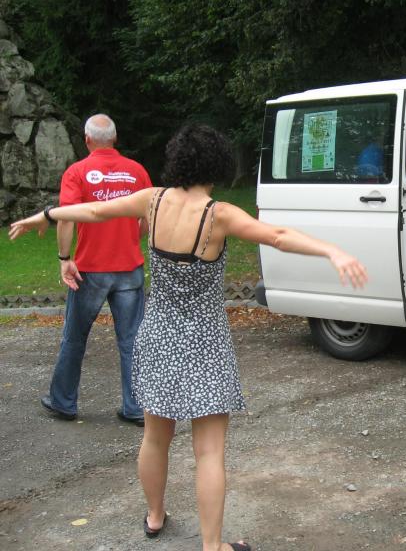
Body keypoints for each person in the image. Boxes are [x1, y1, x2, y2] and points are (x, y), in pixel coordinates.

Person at [10, 124, 368, 551]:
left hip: (157, 335)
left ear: (177, 159)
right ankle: (212, 546)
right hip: (205, 342)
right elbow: (277, 236)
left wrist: (47, 216)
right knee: (209, 452)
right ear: (217, 164)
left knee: (154, 437)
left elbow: (94, 211)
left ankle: (155, 516)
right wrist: (332, 250)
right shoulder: (219, 214)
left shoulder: (152, 200)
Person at [38, 114, 152, 426]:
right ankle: (136, 407)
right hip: (129, 267)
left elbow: (66, 216)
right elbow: (148, 218)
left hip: (89, 269)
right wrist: (130, 239)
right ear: (115, 138)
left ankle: (63, 402)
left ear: (87, 140)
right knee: (132, 341)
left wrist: (64, 258)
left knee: (74, 338)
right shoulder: (137, 171)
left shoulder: (77, 172)